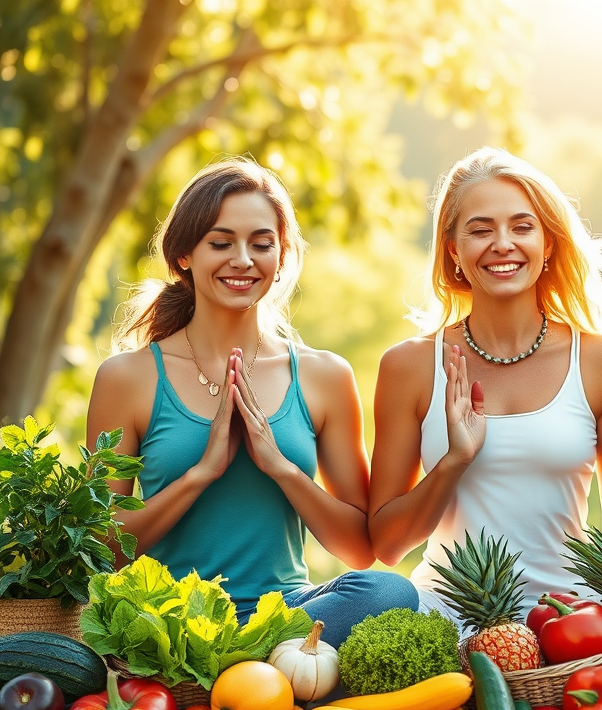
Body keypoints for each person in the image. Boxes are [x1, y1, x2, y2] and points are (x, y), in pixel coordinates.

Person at [87, 158, 418, 648]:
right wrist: (201, 473)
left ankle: (242, 668)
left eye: (261, 244)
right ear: (183, 255)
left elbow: (358, 548)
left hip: (283, 615)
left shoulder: (324, 376)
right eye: (221, 243)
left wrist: (281, 468)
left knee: (389, 590)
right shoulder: (128, 378)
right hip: (170, 621)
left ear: (281, 256)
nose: (242, 259)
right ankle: (273, 673)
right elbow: (102, 549)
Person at [368, 147, 602, 621]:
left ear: (548, 243)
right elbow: (388, 546)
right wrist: (454, 461)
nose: (502, 244)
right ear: (453, 249)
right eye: (480, 230)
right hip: (445, 619)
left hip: (569, 622)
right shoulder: (409, 366)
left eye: (522, 226)